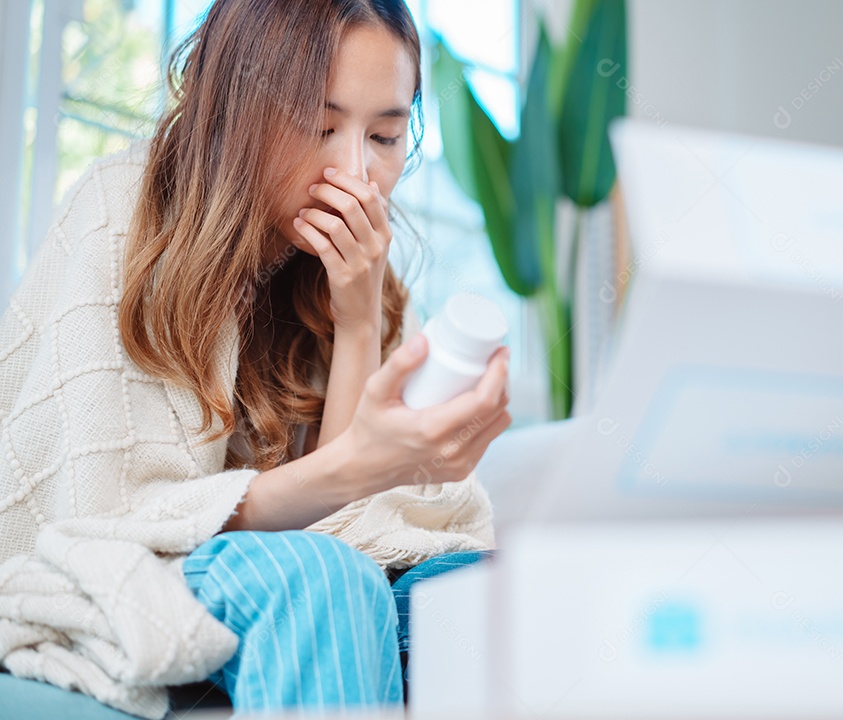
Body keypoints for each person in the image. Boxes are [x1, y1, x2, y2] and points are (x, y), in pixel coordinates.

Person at [0, 0, 509, 717]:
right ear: (242, 105)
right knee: (318, 580)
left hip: (317, 568)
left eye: (386, 136)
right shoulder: (126, 211)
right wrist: (360, 462)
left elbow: (355, 530)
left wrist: (359, 321)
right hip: (155, 564)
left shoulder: (367, 276)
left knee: (489, 594)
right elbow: (110, 522)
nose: (357, 174)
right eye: (320, 128)